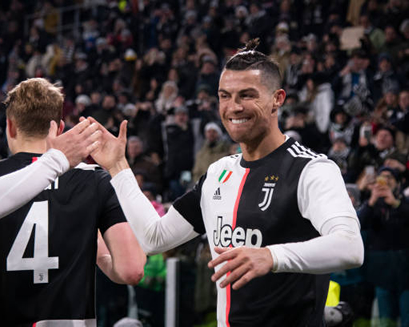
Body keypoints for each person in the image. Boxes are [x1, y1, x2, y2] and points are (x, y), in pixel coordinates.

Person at [89, 39, 364, 326]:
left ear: (278, 99)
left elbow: (350, 247)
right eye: (225, 95)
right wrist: (118, 166)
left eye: (247, 95)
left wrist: (271, 256)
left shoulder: (311, 169)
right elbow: (154, 238)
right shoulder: (219, 173)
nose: (233, 107)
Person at [0, 78, 145, 326]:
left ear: (10, 127)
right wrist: (97, 250)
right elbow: (130, 270)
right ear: (59, 129)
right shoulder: (95, 181)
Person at [357, 166, 409, 326]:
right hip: (382, 274)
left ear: (398, 183)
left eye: (389, 178)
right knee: (386, 320)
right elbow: (358, 223)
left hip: (406, 274)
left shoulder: (404, 203)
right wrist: (372, 200)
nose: (385, 181)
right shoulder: (372, 205)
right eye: (382, 178)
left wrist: (395, 203)